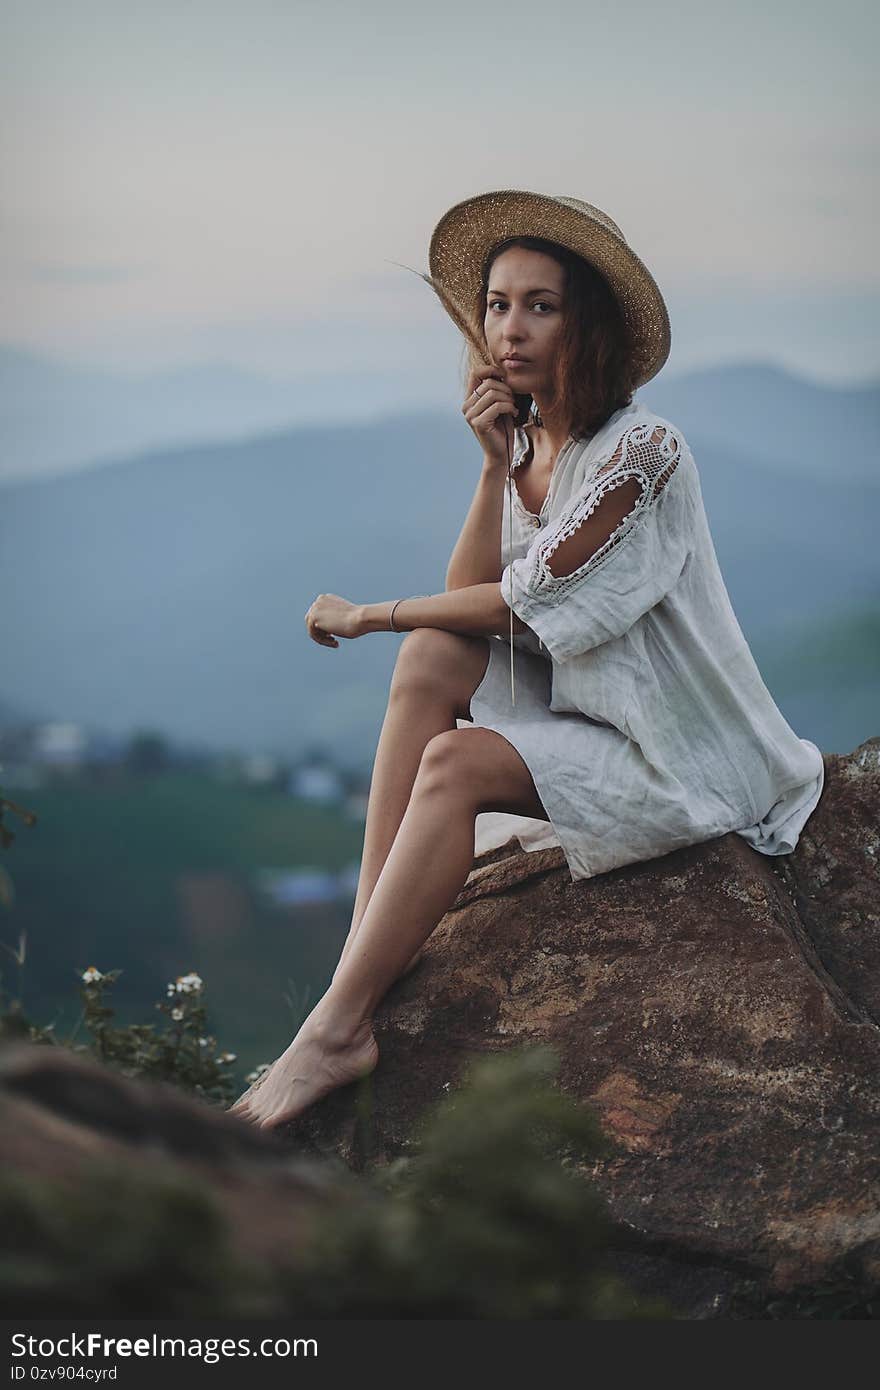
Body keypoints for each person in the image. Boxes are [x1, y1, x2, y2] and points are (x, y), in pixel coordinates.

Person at [228, 190, 824, 1131]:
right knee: (432, 657)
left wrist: (364, 613)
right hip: (593, 728)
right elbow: (465, 612)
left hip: (682, 759)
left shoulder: (643, 454)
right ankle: (356, 975)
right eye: (498, 305)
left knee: (452, 756)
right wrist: (488, 464)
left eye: (538, 305)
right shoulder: (531, 444)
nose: (509, 329)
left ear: (584, 323)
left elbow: (527, 603)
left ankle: (338, 1031)